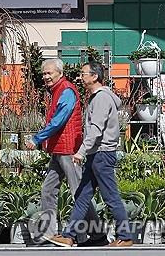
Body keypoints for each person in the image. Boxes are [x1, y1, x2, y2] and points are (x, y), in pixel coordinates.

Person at [47, 61, 133, 247]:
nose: (81, 77)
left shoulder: (102, 98)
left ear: (95, 76)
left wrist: (80, 152)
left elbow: (95, 129)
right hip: (96, 154)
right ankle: (69, 236)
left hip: (102, 154)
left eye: (84, 73)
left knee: (110, 196)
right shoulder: (96, 97)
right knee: (82, 196)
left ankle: (125, 236)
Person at [26, 58, 107, 246]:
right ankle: (49, 232)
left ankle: (97, 235)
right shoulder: (56, 90)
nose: (45, 76)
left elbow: (58, 121)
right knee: (48, 190)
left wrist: (37, 138)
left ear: (60, 73)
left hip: (69, 149)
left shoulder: (67, 91)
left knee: (78, 192)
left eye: (49, 73)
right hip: (58, 148)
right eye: (44, 73)